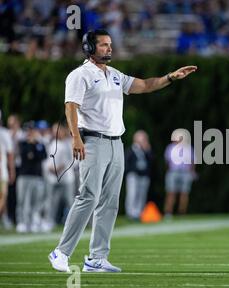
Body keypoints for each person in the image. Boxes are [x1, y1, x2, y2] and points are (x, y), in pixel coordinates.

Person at [48, 29, 197, 273]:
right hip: (93, 142)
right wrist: (76, 138)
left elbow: (146, 85)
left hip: (116, 143)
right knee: (88, 196)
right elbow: (70, 107)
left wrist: (171, 77)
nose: (109, 48)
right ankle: (61, 252)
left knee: (110, 202)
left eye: (110, 44)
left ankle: (96, 258)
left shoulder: (115, 75)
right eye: (104, 45)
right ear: (89, 48)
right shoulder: (80, 75)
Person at [16, 122, 48, 233]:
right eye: (28, 130)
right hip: (24, 175)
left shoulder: (39, 143)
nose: (30, 132)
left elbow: (43, 156)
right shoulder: (23, 143)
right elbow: (27, 156)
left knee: (37, 200)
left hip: (37, 175)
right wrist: (31, 147)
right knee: (23, 200)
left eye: (32, 130)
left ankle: (34, 221)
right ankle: (22, 222)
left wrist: (34, 149)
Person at [42, 123, 75, 233]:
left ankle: (74, 223)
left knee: (70, 201)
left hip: (66, 178)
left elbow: (71, 160)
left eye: (57, 130)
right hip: (52, 177)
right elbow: (47, 159)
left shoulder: (68, 143)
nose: (55, 133)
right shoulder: (51, 143)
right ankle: (49, 221)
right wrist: (49, 168)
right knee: (51, 201)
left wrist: (59, 168)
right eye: (54, 130)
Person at [163, 129, 197, 218]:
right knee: (171, 193)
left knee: (184, 193)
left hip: (185, 172)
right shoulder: (170, 147)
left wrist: (192, 172)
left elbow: (192, 162)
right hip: (173, 172)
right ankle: (168, 213)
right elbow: (167, 162)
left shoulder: (189, 148)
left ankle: (182, 213)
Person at [124, 130, 152, 221]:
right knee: (132, 194)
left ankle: (139, 213)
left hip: (144, 176)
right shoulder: (131, 150)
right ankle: (131, 213)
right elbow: (127, 162)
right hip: (133, 175)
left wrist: (147, 150)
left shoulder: (146, 150)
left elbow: (151, 161)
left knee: (141, 195)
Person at [0, 110, 15, 230]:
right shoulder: (4, 133)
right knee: (3, 196)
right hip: (2, 169)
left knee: (3, 196)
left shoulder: (4, 133)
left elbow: (10, 154)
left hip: (2, 169)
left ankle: (4, 217)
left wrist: (11, 171)